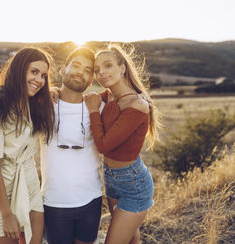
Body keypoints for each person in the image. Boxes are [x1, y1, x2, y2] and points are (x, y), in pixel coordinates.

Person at [0, 47, 55, 244]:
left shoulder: (34, 104)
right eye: (34, 72)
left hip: (29, 182)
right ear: (19, 70)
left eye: (43, 75)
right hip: (3, 189)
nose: (39, 80)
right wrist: (6, 214)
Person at [84, 44, 160, 244]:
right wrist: (55, 93)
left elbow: (103, 145)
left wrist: (93, 111)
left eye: (107, 66)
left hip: (134, 184)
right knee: (130, 240)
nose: (101, 73)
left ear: (122, 67)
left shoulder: (137, 105)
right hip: (110, 177)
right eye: (97, 70)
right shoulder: (108, 96)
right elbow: (79, 99)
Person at [40, 47, 104, 244]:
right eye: (76, 66)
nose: (80, 72)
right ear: (62, 69)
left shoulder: (99, 106)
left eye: (87, 70)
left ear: (91, 80)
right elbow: (8, 100)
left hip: (91, 200)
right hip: (54, 201)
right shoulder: (42, 104)